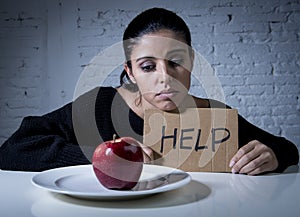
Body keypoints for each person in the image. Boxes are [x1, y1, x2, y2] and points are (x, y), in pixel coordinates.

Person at [0, 8, 298, 175]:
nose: (164, 78)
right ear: (129, 71)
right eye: (147, 67)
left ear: (191, 64)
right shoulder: (100, 105)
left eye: (175, 63)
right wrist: (103, 157)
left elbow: (287, 149)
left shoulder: (212, 114)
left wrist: (271, 155)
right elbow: (13, 150)